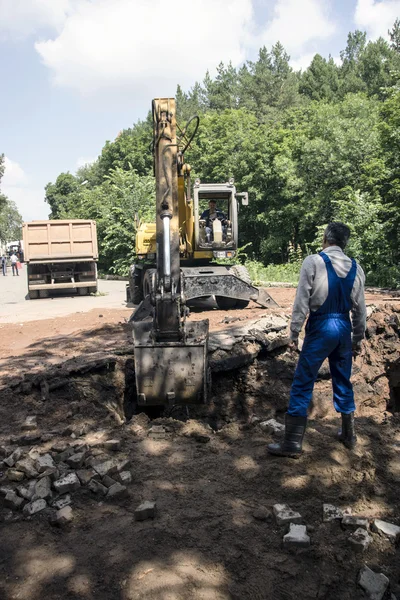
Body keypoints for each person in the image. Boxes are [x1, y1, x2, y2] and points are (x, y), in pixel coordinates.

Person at [268, 222, 366, 458]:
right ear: (345, 243)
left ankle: (291, 444)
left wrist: (293, 332)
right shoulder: (356, 267)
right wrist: (357, 338)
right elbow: (360, 311)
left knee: (303, 381)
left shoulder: (313, 261)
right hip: (342, 328)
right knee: (343, 379)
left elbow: (302, 300)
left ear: (325, 239)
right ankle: (349, 435)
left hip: (321, 327)